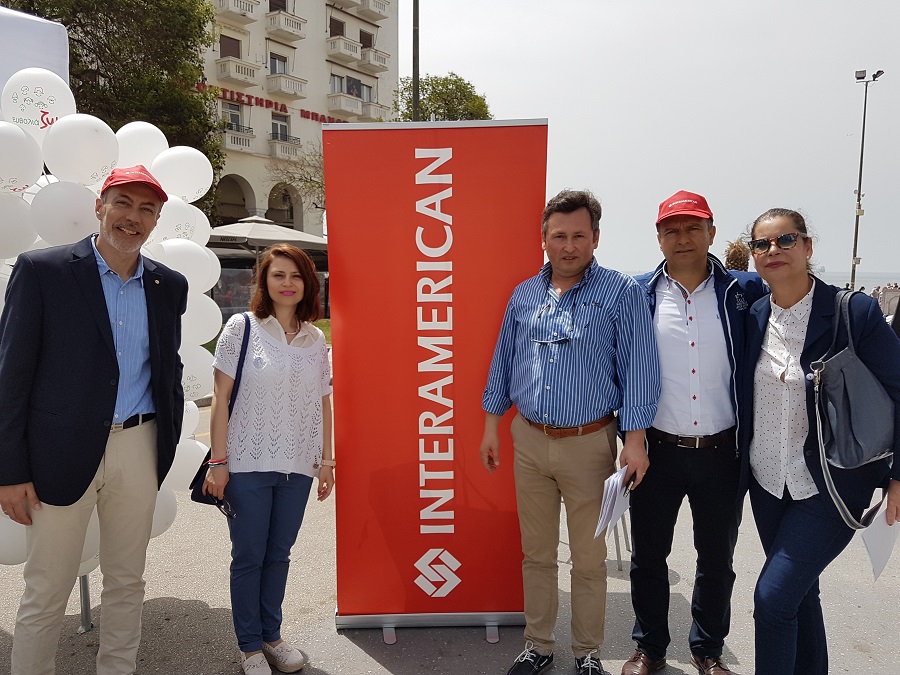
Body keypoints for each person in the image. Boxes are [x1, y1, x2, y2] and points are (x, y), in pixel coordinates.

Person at [0, 165, 187, 675]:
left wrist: (163, 447)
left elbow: (167, 369)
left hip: (139, 444)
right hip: (58, 450)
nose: (133, 217)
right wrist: (10, 470)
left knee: (127, 582)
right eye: (123, 203)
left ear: (157, 220)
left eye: (147, 209)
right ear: (99, 207)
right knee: (47, 588)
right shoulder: (43, 271)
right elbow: (11, 377)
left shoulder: (168, 284)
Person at [480, 189, 660, 675]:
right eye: (558, 235)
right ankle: (538, 644)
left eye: (579, 235)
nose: (568, 245)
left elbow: (640, 370)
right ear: (543, 239)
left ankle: (587, 653)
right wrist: (492, 425)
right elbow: (504, 361)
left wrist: (635, 441)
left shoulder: (621, 292)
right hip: (529, 441)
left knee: (588, 558)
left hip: (590, 444)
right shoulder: (524, 294)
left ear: (595, 238)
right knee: (536, 554)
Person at [739, 208, 900, 675]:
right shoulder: (754, 316)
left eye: (785, 240)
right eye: (762, 244)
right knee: (800, 595)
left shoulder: (854, 313)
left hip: (831, 485)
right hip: (768, 483)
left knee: (772, 599)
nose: (773, 250)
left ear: (807, 247)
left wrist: (897, 477)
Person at [625, 191, 766, 675]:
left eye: (692, 227)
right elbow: (622, 366)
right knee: (648, 558)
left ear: (711, 232)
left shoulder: (745, 290)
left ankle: (708, 650)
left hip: (722, 452)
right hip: (657, 450)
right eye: (671, 230)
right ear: (659, 237)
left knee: (716, 561)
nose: (682, 238)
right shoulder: (638, 294)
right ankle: (649, 648)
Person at [204, 244, 334, 675]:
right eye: (278, 275)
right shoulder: (242, 328)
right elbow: (220, 398)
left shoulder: (316, 340)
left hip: (298, 466)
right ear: (265, 281)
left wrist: (327, 461)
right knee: (249, 556)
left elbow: (323, 403)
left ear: (307, 284)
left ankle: (272, 636)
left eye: (296, 276)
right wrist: (218, 462)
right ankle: (250, 647)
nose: (287, 283)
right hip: (246, 464)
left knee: (279, 553)